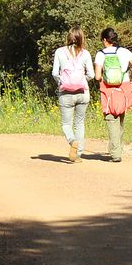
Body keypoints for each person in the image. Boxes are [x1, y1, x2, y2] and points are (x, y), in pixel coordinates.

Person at [94, 27, 132, 163]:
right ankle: (118, 148)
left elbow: (97, 76)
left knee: (111, 119)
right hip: (124, 88)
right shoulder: (125, 52)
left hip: (108, 90)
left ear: (104, 40)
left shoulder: (100, 54)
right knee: (120, 118)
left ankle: (115, 154)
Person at [51, 26, 94, 163]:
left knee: (66, 124)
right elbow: (91, 75)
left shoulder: (60, 52)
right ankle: (78, 154)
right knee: (79, 123)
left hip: (65, 93)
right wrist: (82, 81)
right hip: (83, 93)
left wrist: (62, 82)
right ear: (82, 38)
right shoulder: (85, 53)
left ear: (68, 38)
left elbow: (54, 73)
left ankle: (72, 141)